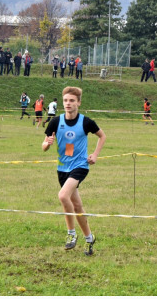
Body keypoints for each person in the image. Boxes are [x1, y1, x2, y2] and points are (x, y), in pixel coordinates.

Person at [42, 86, 106, 255]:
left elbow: (102, 136)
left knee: (63, 196)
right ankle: (89, 238)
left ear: (78, 102)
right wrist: (47, 144)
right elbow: (44, 146)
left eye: (72, 101)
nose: (68, 104)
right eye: (65, 101)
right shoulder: (56, 121)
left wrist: (95, 155)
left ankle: (71, 234)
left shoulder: (86, 122)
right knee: (77, 206)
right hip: (62, 168)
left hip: (80, 166)